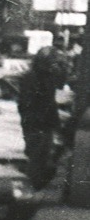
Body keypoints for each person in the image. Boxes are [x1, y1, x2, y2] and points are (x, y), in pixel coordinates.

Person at [16, 47, 69, 188]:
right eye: (50, 62)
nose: (52, 65)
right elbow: (26, 104)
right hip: (35, 124)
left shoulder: (48, 77)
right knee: (37, 157)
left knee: (43, 156)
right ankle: (32, 186)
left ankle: (36, 184)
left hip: (43, 123)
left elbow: (51, 101)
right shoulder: (30, 78)